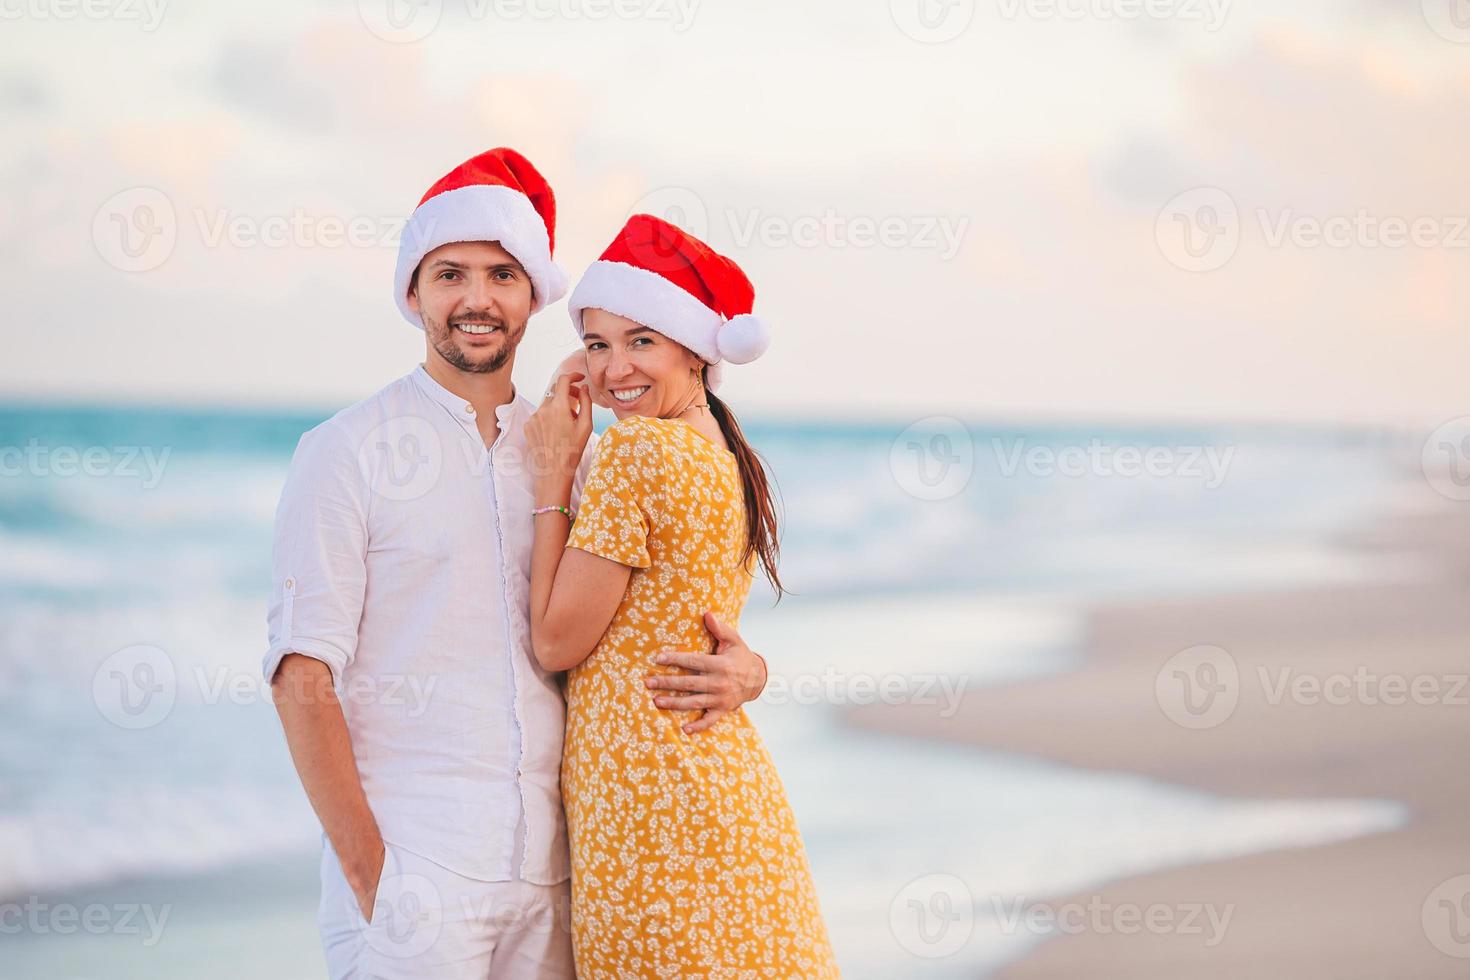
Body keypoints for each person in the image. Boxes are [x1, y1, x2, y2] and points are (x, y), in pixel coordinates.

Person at [264, 149, 771, 980]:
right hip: (416, 875)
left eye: (502, 275)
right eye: (450, 274)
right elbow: (300, 674)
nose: (476, 299)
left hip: (565, 875)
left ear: (534, 294)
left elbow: (660, 620)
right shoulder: (344, 452)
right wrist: (370, 874)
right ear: (414, 292)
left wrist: (746, 670)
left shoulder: (576, 452)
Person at [523, 213, 840, 978]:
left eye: (641, 341)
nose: (612, 368)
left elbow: (556, 642)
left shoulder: (636, 449)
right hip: (715, 788)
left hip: (654, 810)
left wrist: (552, 480)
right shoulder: (726, 453)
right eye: (596, 343)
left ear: (695, 351)